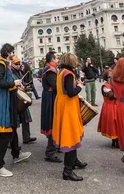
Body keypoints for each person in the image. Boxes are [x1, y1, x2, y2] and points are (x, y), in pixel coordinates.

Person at [0, 43, 31, 177]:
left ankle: (16, 153)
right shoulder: (1, 64)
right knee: (6, 133)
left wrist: (16, 85)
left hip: (8, 100)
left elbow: (5, 82)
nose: (13, 55)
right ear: (7, 52)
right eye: (12, 52)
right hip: (3, 102)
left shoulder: (5, 64)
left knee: (11, 129)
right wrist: (13, 83)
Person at [52, 53, 87, 181]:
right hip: (68, 107)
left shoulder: (61, 72)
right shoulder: (69, 74)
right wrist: (79, 87)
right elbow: (71, 93)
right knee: (70, 136)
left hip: (62, 105)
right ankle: (67, 171)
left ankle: (74, 161)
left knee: (70, 135)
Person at [41, 51, 61, 163]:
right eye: (57, 58)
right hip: (50, 98)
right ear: (52, 59)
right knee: (52, 122)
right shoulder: (50, 70)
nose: (58, 60)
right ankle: (50, 152)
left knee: (53, 122)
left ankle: (54, 146)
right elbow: (55, 86)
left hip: (50, 97)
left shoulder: (51, 69)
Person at [11, 57, 36, 144]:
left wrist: (25, 86)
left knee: (25, 119)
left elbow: (23, 82)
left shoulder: (19, 73)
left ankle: (26, 137)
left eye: (19, 64)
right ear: (12, 64)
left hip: (21, 97)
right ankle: (11, 141)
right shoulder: (10, 73)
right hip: (14, 99)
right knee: (14, 121)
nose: (18, 66)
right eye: (16, 64)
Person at [97, 68, 118, 148]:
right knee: (113, 124)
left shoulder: (114, 84)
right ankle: (115, 140)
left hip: (116, 106)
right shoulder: (106, 86)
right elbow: (112, 96)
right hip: (109, 107)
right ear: (106, 77)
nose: (112, 77)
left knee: (118, 124)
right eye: (110, 76)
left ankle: (117, 140)